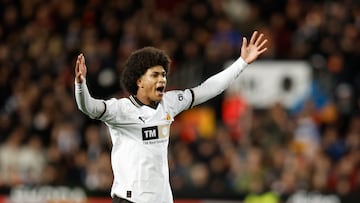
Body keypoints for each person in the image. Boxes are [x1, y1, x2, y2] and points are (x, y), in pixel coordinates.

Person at [74, 31, 268, 203]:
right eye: (155, 75)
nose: (162, 80)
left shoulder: (170, 103)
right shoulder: (121, 110)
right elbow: (88, 107)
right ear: (139, 81)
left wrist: (241, 63)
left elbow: (208, 89)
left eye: (164, 75)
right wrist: (81, 85)